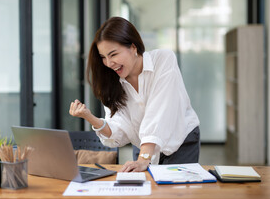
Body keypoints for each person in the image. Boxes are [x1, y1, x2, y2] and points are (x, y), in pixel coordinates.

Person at [69, 16, 200, 172]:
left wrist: (143, 159)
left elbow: (159, 113)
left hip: (179, 141)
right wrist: (89, 117)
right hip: (143, 146)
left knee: (175, 193)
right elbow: (119, 130)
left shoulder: (164, 60)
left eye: (113, 54)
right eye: (103, 57)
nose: (109, 63)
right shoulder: (112, 82)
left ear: (133, 47)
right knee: (145, 193)